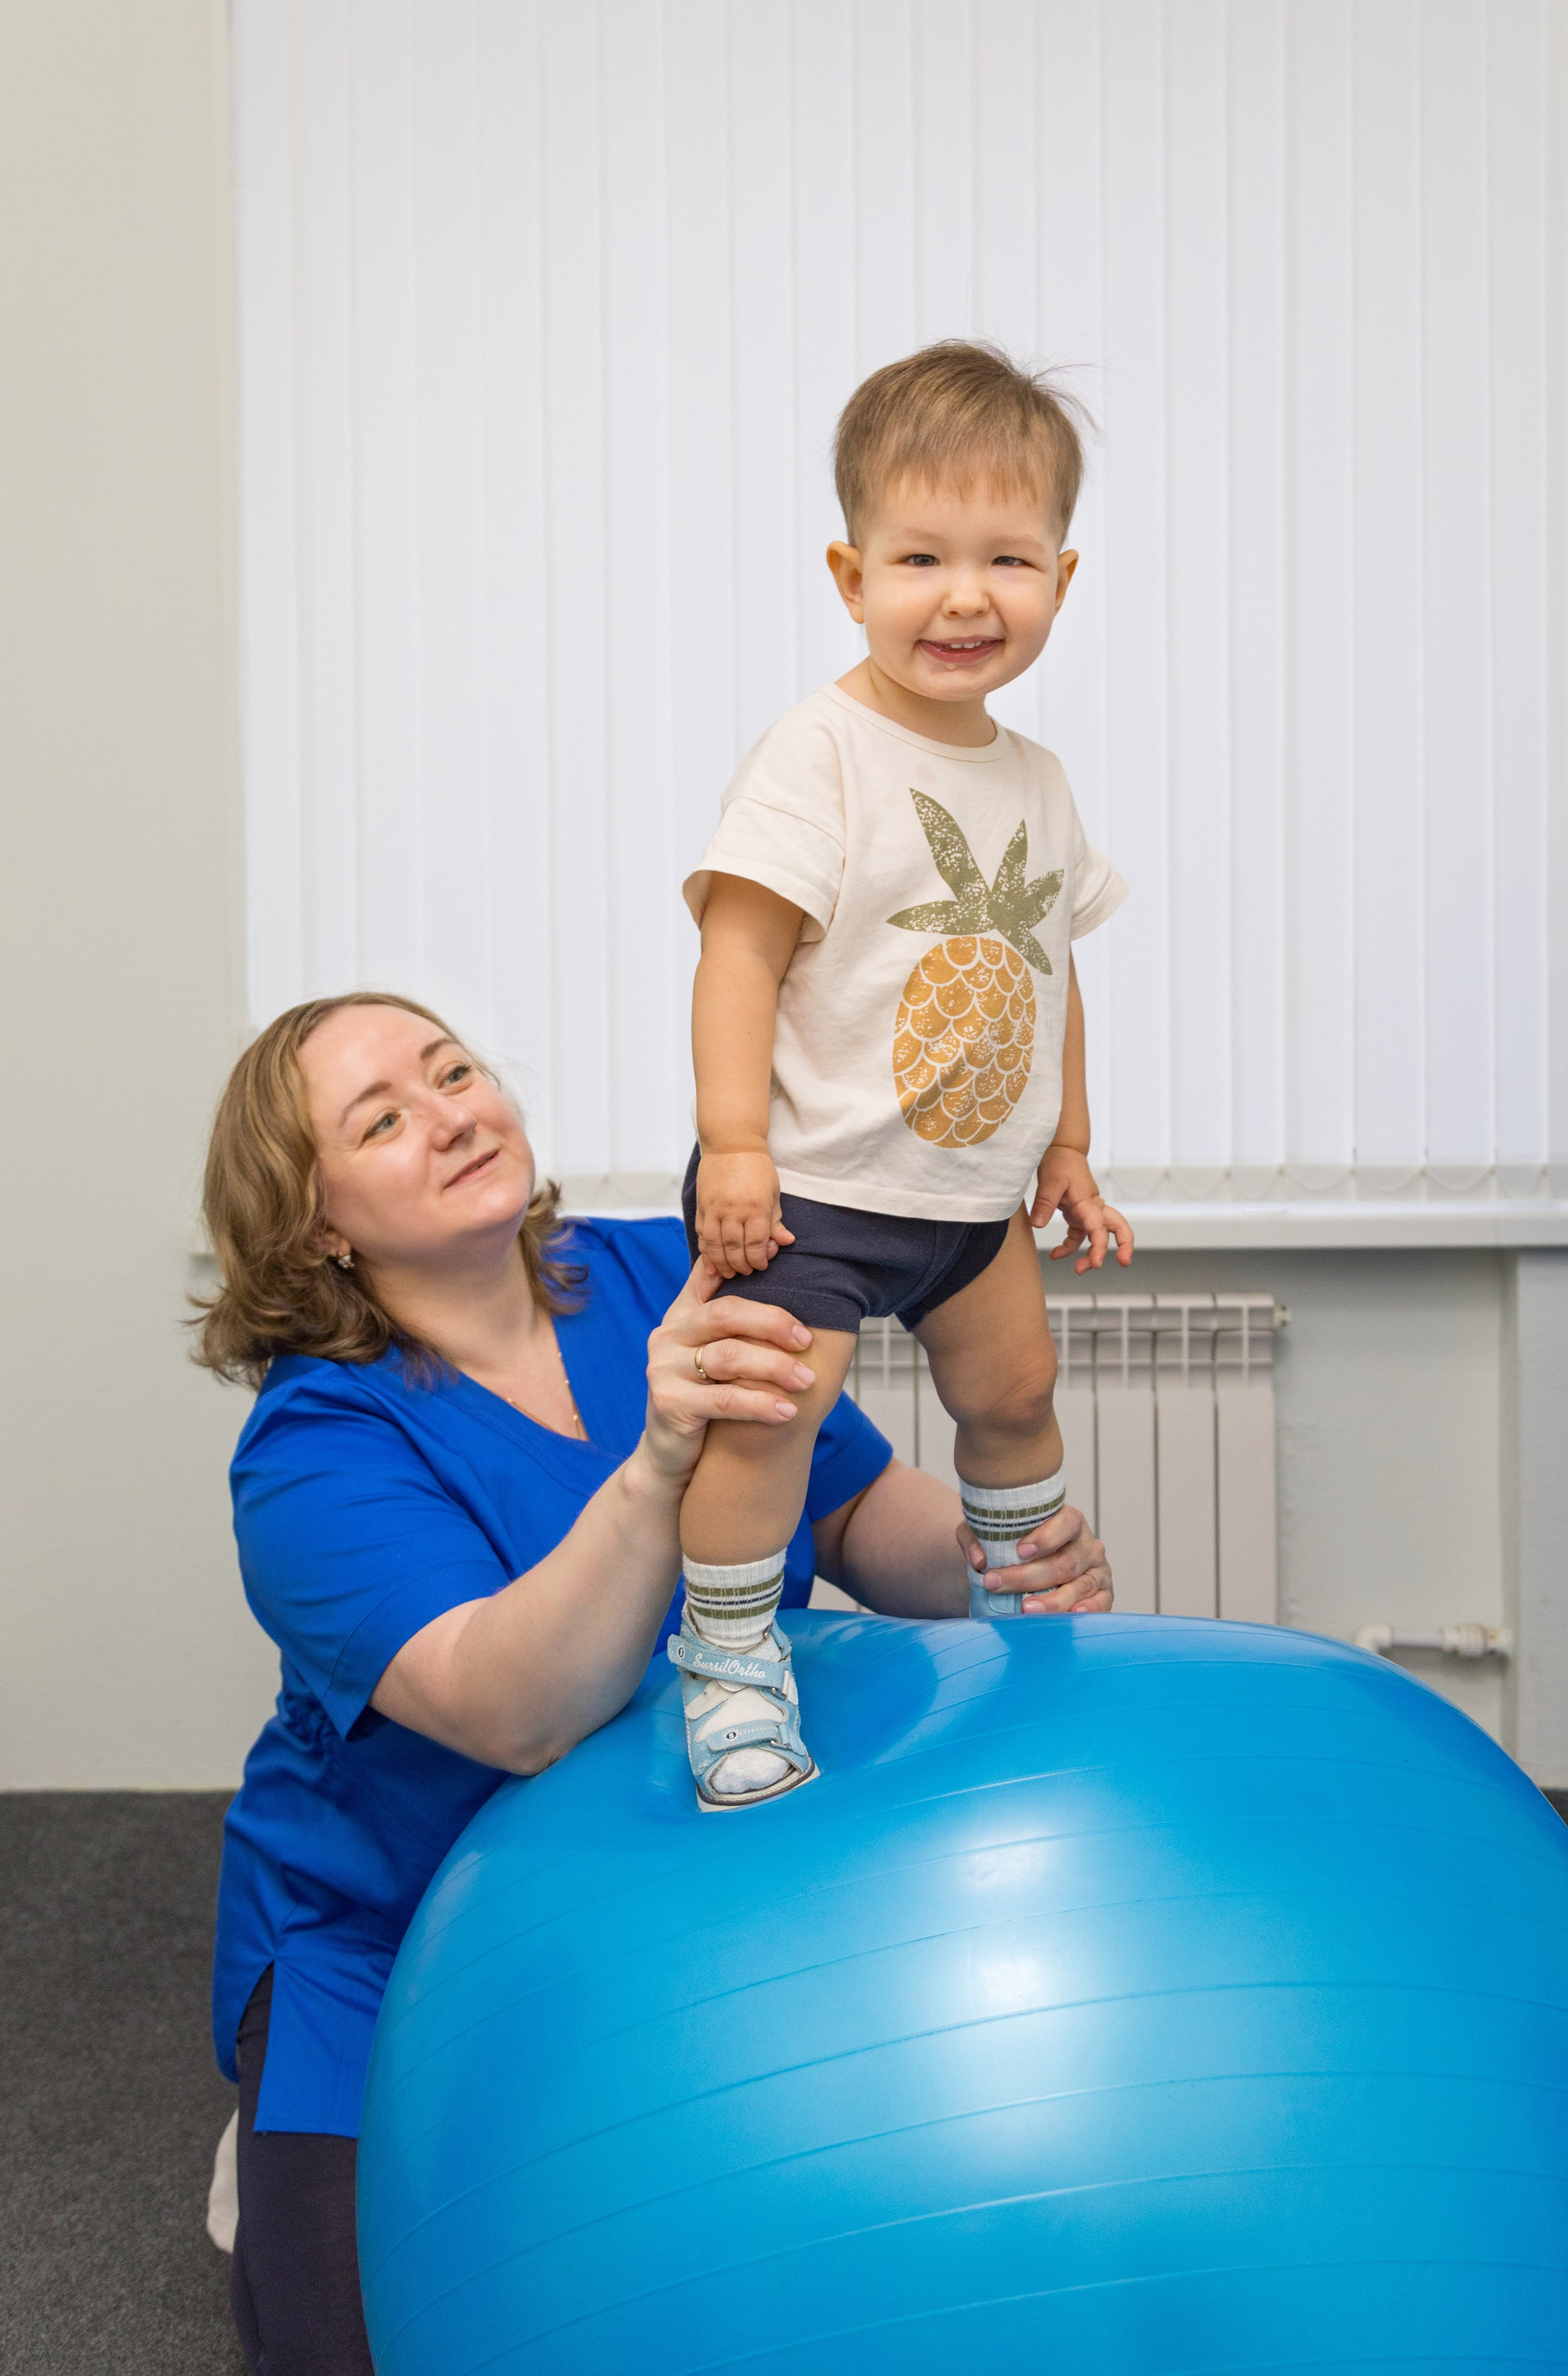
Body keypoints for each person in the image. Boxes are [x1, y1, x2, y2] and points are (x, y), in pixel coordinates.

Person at [196, 989, 1116, 2374]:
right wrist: (657, 1466)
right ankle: (281, 2131)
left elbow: (857, 1517)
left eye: (454, 1072)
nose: (449, 1116)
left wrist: (999, 1561)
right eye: (383, 1120)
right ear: (317, 1220)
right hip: (391, 1937)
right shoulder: (310, 1453)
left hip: (692, 1882)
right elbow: (513, 1711)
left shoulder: (655, 1274)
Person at [674, 340, 1135, 1810]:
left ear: (1061, 578)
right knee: (771, 1418)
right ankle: (733, 1658)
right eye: (921, 557)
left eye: (1007, 559)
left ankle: (1017, 1597)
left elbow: (1046, 969)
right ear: (848, 573)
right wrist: (733, 1146)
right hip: (805, 1179)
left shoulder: (1038, 779)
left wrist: (1064, 1147)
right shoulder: (821, 753)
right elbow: (738, 955)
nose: (964, 596)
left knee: (1016, 1385)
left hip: (965, 1190)